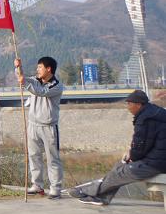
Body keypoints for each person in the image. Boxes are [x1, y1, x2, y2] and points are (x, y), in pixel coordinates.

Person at [70, 90, 166, 206]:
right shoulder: (154, 113)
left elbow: (140, 146)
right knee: (119, 167)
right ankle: (102, 198)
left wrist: (132, 157)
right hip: (157, 160)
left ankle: (86, 191)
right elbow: (147, 144)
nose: (128, 107)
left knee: (120, 173)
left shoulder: (145, 119)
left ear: (138, 105)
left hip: (156, 164)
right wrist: (131, 156)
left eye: (129, 104)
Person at [15, 56, 64, 199]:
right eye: (37, 67)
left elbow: (41, 91)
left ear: (48, 69)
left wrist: (24, 83)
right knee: (34, 156)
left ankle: (55, 188)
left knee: (52, 159)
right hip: (33, 125)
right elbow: (21, 77)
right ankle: (37, 185)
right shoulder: (35, 80)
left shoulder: (56, 85)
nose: (37, 70)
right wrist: (18, 67)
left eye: (40, 67)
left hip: (48, 127)